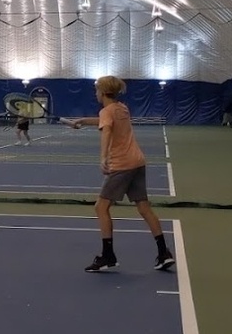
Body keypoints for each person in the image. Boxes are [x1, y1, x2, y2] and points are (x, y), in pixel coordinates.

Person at [72, 76, 174, 272]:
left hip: (122, 165)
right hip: (138, 162)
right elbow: (105, 121)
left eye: (96, 90)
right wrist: (83, 121)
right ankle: (164, 253)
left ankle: (108, 256)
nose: (96, 94)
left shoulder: (106, 111)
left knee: (101, 208)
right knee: (144, 208)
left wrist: (103, 158)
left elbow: (107, 130)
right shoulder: (122, 108)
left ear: (102, 92)